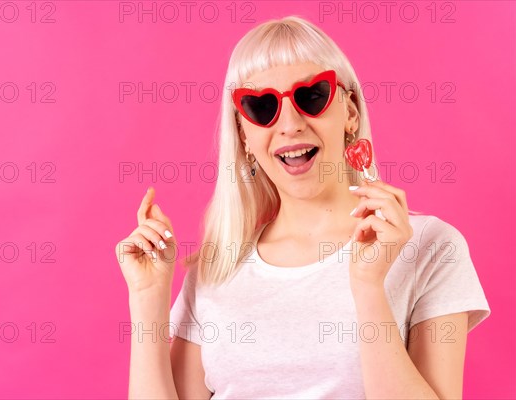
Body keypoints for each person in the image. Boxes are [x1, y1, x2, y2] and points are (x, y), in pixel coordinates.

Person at [116, 15, 491, 399]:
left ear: (350, 113)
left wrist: (367, 287)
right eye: (261, 107)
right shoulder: (219, 265)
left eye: (311, 97)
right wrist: (147, 300)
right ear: (244, 136)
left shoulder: (431, 246)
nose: (290, 124)